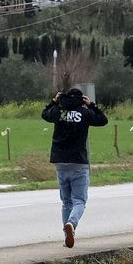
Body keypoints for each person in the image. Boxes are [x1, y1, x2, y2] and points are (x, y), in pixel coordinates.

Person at [42, 87, 108, 248]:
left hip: (60, 163)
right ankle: (72, 223)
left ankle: (67, 235)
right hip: (78, 162)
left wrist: (54, 101)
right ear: (81, 100)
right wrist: (91, 105)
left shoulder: (59, 112)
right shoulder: (84, 113)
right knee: (79, 200)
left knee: (66, 202)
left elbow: (44, 114)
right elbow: (103, 120)